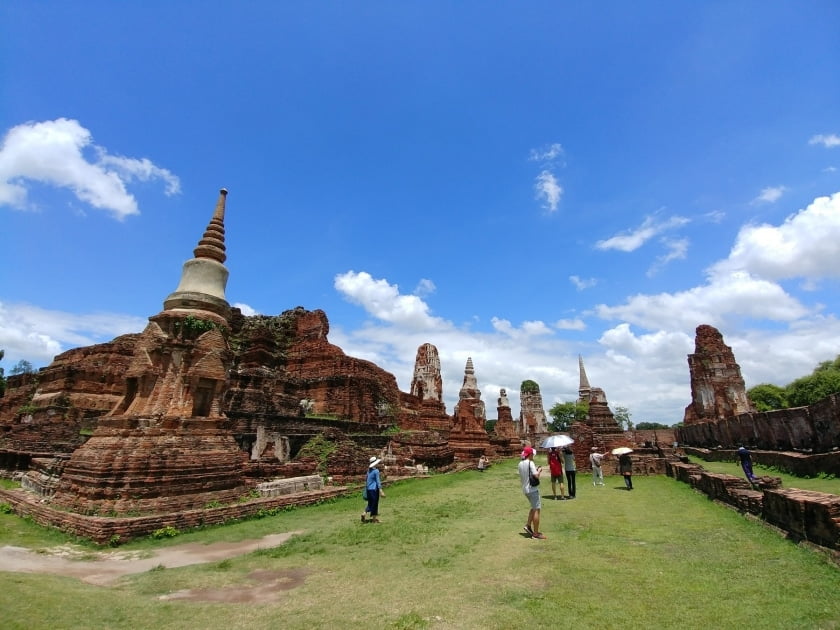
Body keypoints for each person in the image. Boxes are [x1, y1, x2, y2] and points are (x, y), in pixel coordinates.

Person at [518, 446, 546, 539]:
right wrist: (539, 470)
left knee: (533, 508)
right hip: (532, 489)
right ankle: (536, 533)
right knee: (537, 509)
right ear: (529, 454)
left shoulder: (520, 464)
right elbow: (536, 476)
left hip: (525, 489)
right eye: (532, 454)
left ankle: (528, 525)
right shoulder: (530, 463)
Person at [362, 456, 385, 523]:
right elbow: (378, 481)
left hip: (369, 490)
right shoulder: (376, 471)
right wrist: (381, 490)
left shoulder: (368, 471)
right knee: (375, 504)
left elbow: (367, 481)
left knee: (370, 503)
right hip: (374, 490)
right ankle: (374, 520)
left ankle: (364, 513)